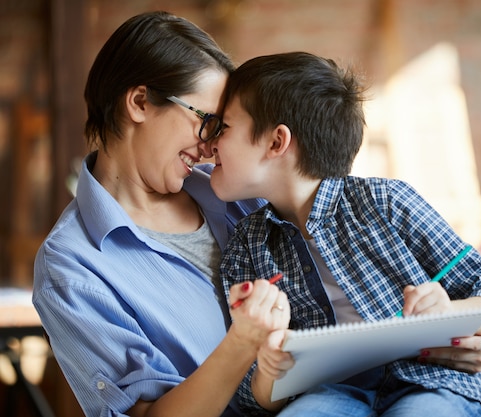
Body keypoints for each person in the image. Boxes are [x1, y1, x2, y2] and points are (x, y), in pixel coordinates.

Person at [209, 51, 481, 417]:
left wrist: (448, 313)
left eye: (224, 127)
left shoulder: (385, 202)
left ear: (276, 142)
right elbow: (255, 397)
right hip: (327, 395)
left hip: (432, 383)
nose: (211, 143)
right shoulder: (248, 244)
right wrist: (270, 371)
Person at [32, 11, 291, 417]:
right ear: (139, 103)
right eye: (206, 122)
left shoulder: (236, 195)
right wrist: (242, 344)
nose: (210, 147)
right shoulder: (71, 269)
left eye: (220, 129)